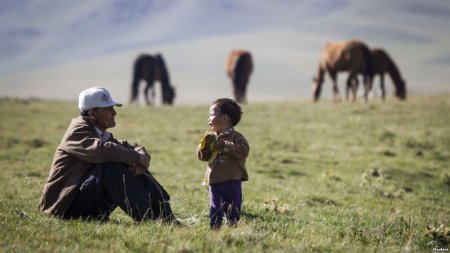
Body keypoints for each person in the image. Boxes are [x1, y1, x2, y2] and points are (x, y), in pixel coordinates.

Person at [38, 86, 179, 224]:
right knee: (111, 166)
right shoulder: (77, 131)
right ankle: (147, 218)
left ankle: (166, 216)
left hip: (84, 203)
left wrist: (140, 159)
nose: (114, 113)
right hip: (64, 207)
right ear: (93, 113)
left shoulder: (99, 133)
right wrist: (136, 158)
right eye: (109, 109)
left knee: (122, 160)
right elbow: (102, 151)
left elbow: (131, 148)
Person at [196, 98, 250, 229]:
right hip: (215, 180)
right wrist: (203, 148)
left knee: (233, 207)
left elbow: (243, 151)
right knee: (215, 206)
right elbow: (203, 157)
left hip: (232, 180)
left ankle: (233, 226)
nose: (209, 118)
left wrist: (225, 146)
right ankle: (215, 228)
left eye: (212, 114)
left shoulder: (236, 137)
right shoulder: (211, 137)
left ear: (225, 118)